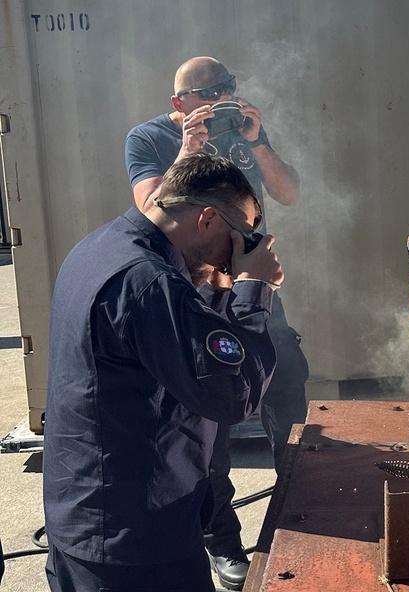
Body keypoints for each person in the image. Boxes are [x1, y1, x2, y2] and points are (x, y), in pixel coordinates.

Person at [42, 154, 283, 591]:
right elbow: (231, 394)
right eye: (240, 237)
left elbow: (182, 351)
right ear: (208, 218)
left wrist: (222, 291)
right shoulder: (148, 281)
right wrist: (254, 292)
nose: (236, 255)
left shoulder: (103, 246)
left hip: (91, 522)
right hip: (135, 546)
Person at [125, 56, 308, 589]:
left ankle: (299, 514)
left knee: (288, 401)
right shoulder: (150, 138)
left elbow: (289, 193)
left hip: (254, 287)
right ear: (176, 102)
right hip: (192, 299)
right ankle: (225, 547)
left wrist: (257, 141)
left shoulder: (246, 132)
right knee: (207, 434)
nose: (213, 100)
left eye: (222, 89)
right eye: (199, 94)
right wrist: (190, 145)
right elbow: (149, 206)